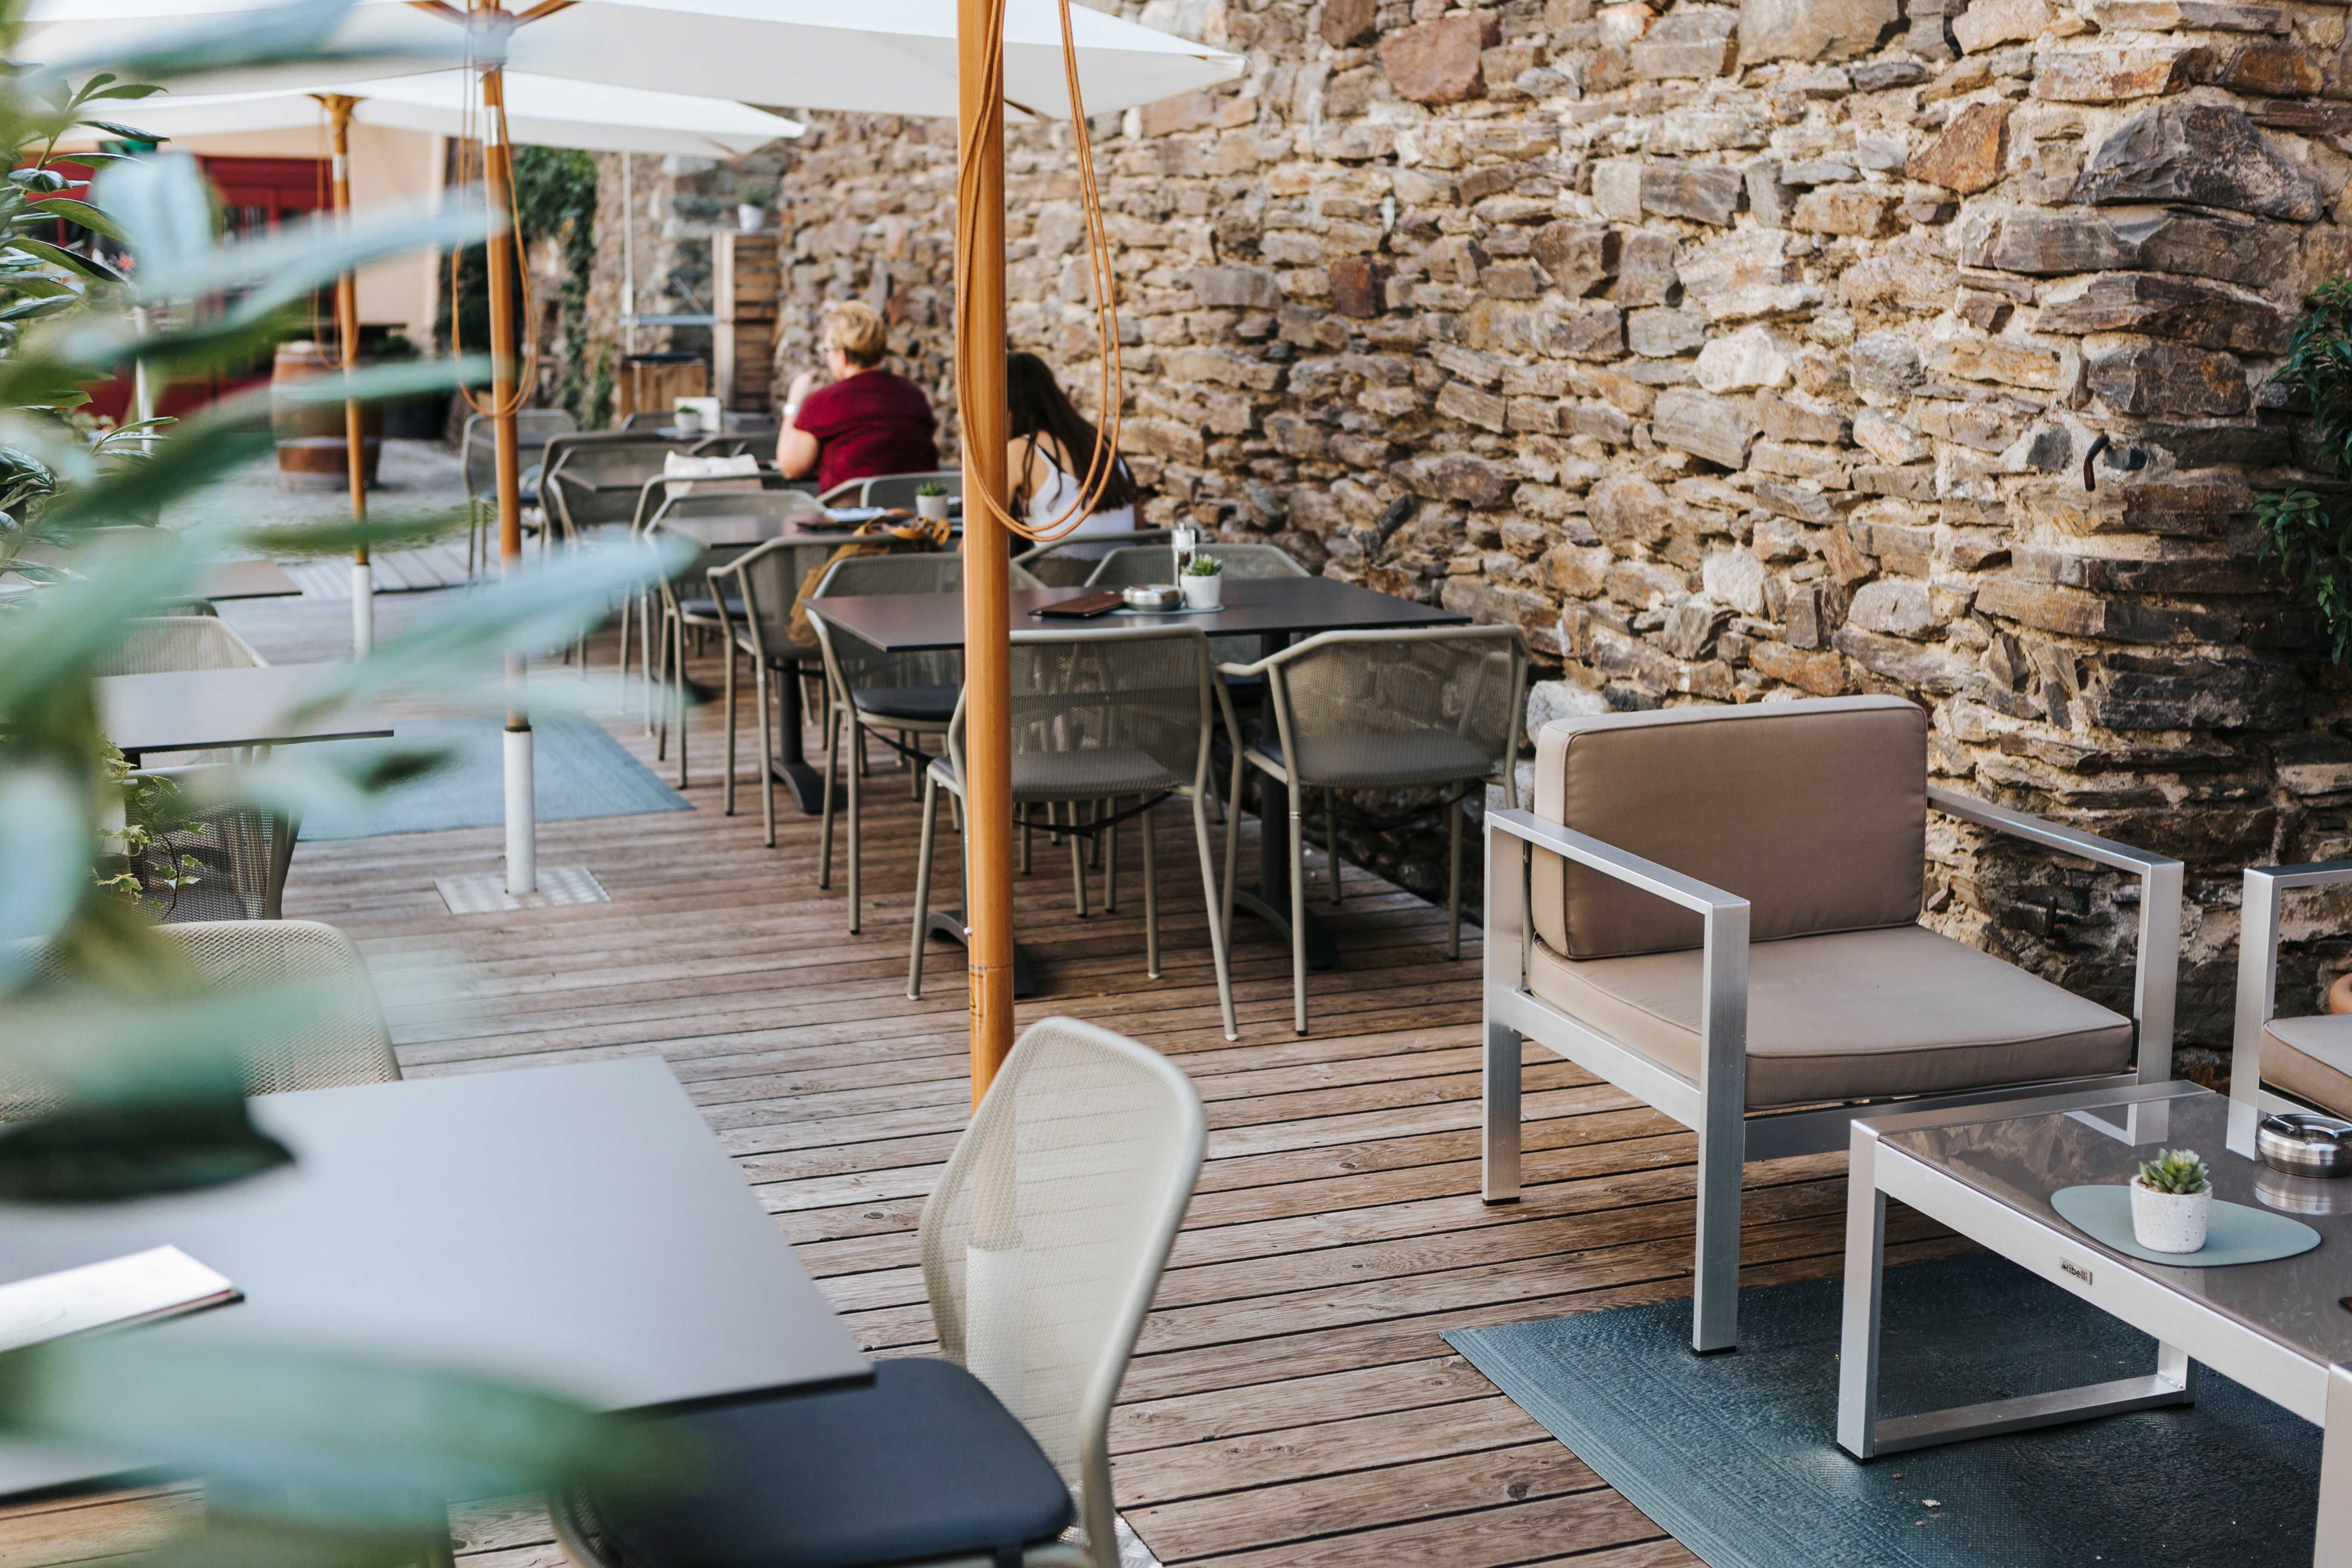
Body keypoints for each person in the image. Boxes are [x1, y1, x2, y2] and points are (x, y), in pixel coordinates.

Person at [777, 302, 939, 496]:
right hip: (916, 519)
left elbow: (791, 468)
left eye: (827, 350)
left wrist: (794, 403)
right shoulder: (914, 394)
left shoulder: (825, 402)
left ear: (843, 355)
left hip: (852, 520)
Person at [1006, 351, 1137, 539]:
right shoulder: (1099, 442)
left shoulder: (1021, 450)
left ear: (1009, 404)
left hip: (1060, 566)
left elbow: (978, 540)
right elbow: (1139, 525)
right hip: (1127, 566)